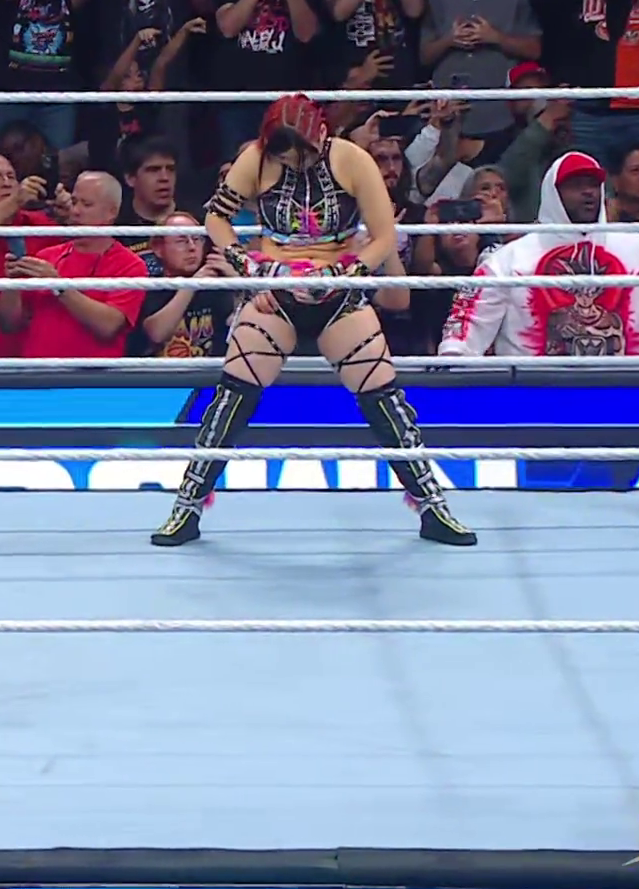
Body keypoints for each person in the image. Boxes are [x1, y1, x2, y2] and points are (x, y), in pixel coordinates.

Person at [152, 94, 478, 549]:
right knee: (233, 394)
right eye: (284, 156)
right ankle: (186, 507)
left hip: (338, 289)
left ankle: (432, 506)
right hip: (275, 291)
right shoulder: (256, 159)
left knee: (384, 397)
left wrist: (345, 274)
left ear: (320, 135)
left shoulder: (353, 160)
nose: (292, 163)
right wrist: (253, 269)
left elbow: (383, 234)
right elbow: (216, 218)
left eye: (298, 154)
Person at [437, 152, 639, 357]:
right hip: (536, 392)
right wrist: (452, 360)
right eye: (576, 185)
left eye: (593, 184)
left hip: (626, 390)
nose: (588, 192)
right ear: (553, 193)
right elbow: (466, 327)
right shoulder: (510, 259)